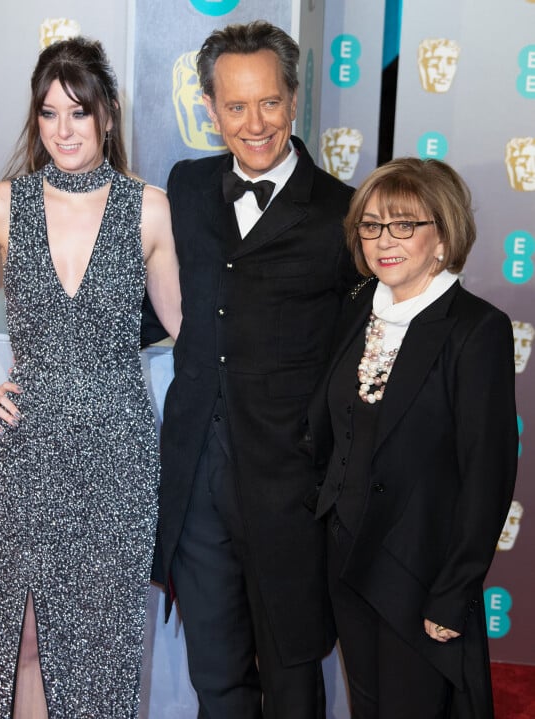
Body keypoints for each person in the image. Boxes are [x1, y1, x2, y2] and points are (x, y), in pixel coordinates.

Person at [0, 37, 181, 718]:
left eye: (78, 113)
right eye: (49, 113)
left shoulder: (149, 208)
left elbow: (187, 328)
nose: (63, 130)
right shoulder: (4, 204)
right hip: (28, 452)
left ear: (106, 116)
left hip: (119, 453)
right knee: (24, 639)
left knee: (107, 643)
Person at [149, 19, 356, 719]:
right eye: (235, 106)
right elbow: (158, 302)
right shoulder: (185, 186)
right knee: (216, 676)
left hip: (292, 487)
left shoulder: (342, 215)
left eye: (269, 102)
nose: (255, 123)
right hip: (197, 475)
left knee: (295, 680)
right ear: (209, 109)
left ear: (294, 98)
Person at [308, 157, 517, 718]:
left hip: (417, 574)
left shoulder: (476, 329)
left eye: (404, 224)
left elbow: (487, 475)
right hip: (347, 561)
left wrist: (453, 591)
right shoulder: (358, 308)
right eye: (372, 225)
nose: (384, 240)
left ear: (443, 236)